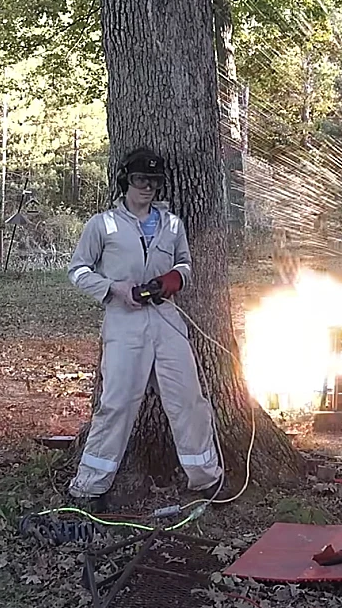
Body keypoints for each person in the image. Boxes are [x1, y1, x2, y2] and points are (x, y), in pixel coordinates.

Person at [66, 148, 223, 501]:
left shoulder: (172, 224)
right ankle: (89, 487)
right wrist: (114, 288)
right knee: (116, 404)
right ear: (126, 181)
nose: (147, 187)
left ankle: (205, 479)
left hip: (167, 319)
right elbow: (77, 271)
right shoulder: (102, 224)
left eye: (153, 181)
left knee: (189, 400)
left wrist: (172, 280)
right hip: (124, 323)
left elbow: (184, 265)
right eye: (140, 179)